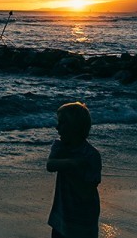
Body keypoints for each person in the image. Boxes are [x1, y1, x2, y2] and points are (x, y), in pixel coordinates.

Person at [46, 101, 102, 238]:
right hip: (61, 213)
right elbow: (50, 165)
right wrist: (72, 163)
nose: (57, 127)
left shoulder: (91, 155)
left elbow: (86, 192)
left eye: (62, 123)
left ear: (75, 127)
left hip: (83, 218)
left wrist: (68, 168)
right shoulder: (60, 147)